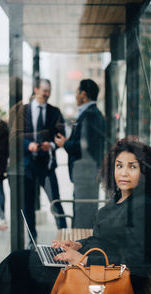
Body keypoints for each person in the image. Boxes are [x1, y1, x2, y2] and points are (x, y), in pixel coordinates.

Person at [0, 136, 151, 294]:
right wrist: (77, 245)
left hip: (102, 279)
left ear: (145, 172)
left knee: (17, 264)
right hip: (91, 267)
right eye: (119, 166)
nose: (124, 172)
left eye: (132, 167)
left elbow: (138, 262)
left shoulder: (144, 208)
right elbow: (101, 238)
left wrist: (83, 260)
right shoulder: (120, 198)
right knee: (18, 263)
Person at [55, 79, 105, 228]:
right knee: (83, 212)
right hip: (87, 174)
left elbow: (84, 147)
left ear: (83, 94)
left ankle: (80, 247)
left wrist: (65, 143)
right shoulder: (93, 114)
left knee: (83, 217)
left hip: (86, 175)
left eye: (77, 92)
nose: (76, 96)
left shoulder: (90, 115)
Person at [23, 79, 67, 246]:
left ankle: (64, 240)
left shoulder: (55, 111)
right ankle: (31, 240)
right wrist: (29, 145)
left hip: (47, 166)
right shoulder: (24, 111)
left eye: (49, 90)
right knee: (28, 206)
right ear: (35, 89)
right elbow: (16, 136)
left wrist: (53, 145)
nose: (47, 94)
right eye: (44, 90)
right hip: (28, 165)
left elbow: (61, 134)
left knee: (56, 202)